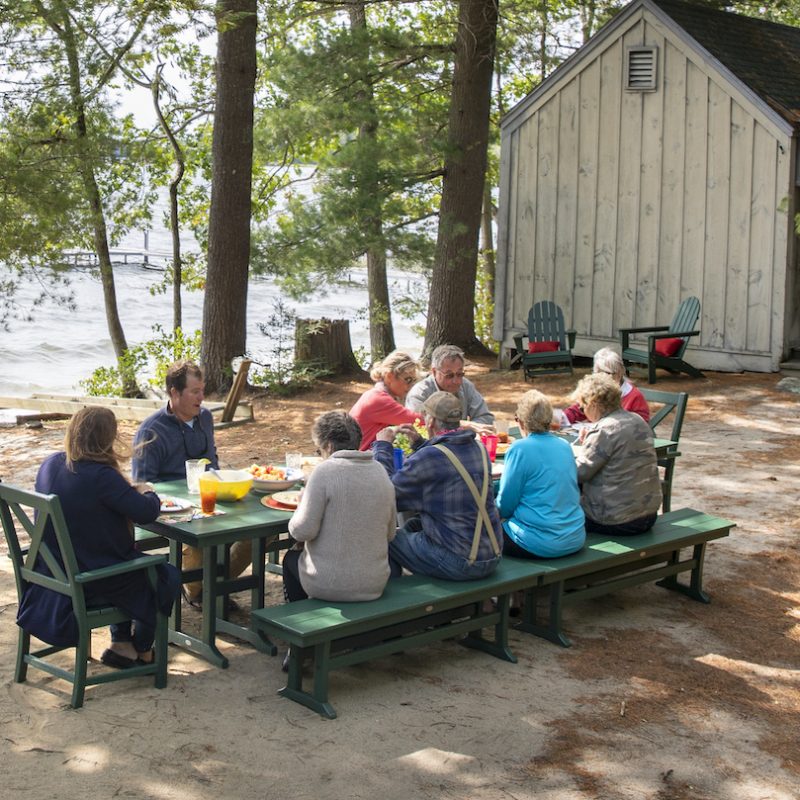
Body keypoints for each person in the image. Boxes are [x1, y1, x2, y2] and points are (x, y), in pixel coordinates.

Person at [16, 406, 180, 668]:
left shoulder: (51, 464)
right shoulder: (101, 476)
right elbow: (146, 512)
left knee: (120, 557)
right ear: (106, 439)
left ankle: (121, 646)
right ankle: (143, 650)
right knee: (166, 575)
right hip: (89, 580)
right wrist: (147, 491)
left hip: (52, 572)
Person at [131, 359, 245, 608]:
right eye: (195, 392)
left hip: (209, 500)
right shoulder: (150, 430)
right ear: (174, 392)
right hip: (171, 513)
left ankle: (213, 586)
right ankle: (196, 590)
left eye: (202, 391)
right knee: (202, 537)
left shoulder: (205, 417)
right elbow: (141, 484)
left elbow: (213, 463)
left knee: (257, 534)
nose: (202, 397)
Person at [373, 391, 503, 580]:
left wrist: (383, 447)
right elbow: (447, 464)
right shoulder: (479, 449)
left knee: (387, 537)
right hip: (491, 554)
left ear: (431, 421)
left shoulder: (429, 458)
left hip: (460, 563)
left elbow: (387, 495)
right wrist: (420, 443)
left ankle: (397, 600)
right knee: (413, 525)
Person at [282, 411, 396, 604]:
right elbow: (390, 533)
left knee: (290, 560)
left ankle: (301, 623)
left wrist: (302, 505)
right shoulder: (379, 471)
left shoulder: (325, 471)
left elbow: (301, 531)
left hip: (331, 584)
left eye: (319, 450)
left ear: (328, 445)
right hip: (375, 582)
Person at [496, 390, 585, 559]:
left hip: (536, 542)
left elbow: (506, 504)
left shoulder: (519, 449)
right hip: (574, 537)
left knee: (483, 532)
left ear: (521, 422)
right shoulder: (564, 446)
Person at [571, 373, 662, 536]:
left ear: (593, 404)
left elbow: (578, 474)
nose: (583, 412)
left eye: (582, 407)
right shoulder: (637, 420)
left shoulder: (603, 430)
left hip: (615, 520)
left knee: (563, 511)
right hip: (648, 515)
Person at [554, 347, 649, 428]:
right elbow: (578, 410)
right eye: (596, 372)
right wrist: (559, 418)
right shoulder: (597, 390)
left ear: (619, 374)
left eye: (606, 373)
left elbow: (641, 427)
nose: (599, 377)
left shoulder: (634, 396)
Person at [405, 344, 494, 429]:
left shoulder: (466, 385)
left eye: (459, 374)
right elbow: (418, 423)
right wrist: (463, 426)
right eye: (449, 375)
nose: (456, 381)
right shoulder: (419, 393)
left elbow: (485, 417)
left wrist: (472, 429)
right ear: (434, 372)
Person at [349, 351, 421, 450]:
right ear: (389, 376)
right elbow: (418, 421)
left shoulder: (376, 394)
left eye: (413, 380)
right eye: (407, 380)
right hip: (362, 458)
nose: (411, 385)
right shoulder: (379, 400)